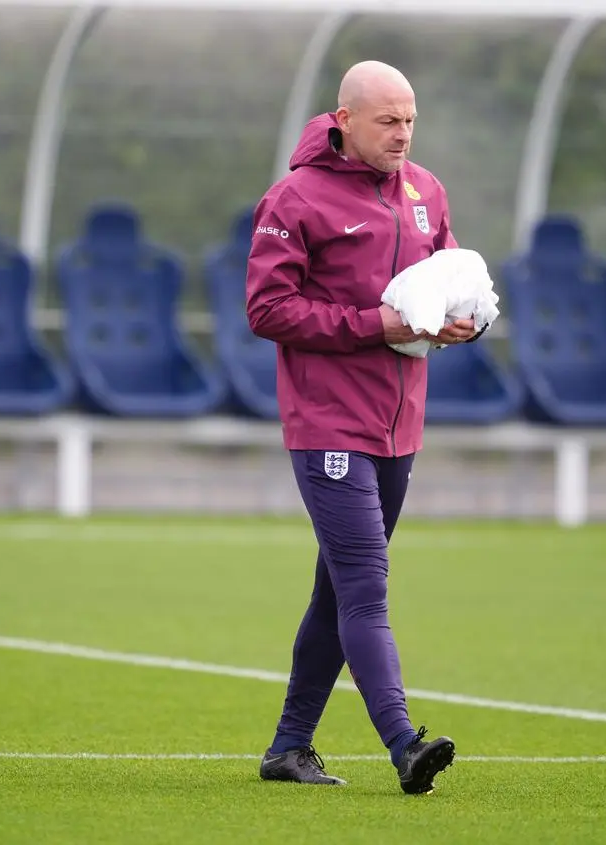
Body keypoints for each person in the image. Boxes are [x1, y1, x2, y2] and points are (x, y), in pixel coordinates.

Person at [245, 60, 479, 795]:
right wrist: (370, 325)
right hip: (328, 422)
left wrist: (461, 321)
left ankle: (290, 747)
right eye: (387, 120)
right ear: (343, 119)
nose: (402, 133)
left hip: (399, 425)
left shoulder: (426, 191)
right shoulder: (295, 197)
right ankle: (404, 741)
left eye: (409, 119)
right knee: (366, 587)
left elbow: (444, 281)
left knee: (336, 592)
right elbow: (267, 308)